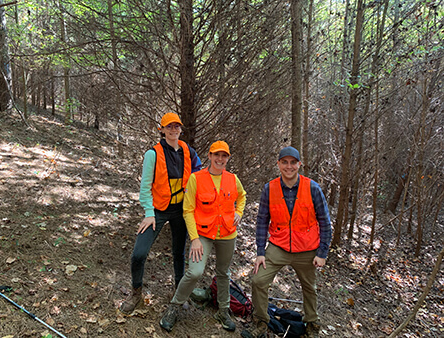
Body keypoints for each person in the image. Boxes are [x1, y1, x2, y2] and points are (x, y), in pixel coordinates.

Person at [241, 146, 332, 338]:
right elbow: (262, 221)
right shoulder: (270, 188)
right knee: (258, 280)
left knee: (310, 288)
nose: (289, 167)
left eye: (293, 162)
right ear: (278, 164)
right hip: (279, 245)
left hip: (307, 248)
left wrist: (322, 253)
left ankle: (312, 325)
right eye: (284, 162)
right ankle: (261, 321)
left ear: (299, 164)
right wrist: (260, 252)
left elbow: (325, 222)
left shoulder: (312, 188)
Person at [159, 141, 247, 332]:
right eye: (217, 155)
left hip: (227, 233)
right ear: (209, 156)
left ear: (228, 158)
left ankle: (223, 310)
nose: (220, 159)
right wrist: (195, 239)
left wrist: (239, 212)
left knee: (224, 272)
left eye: (224, 156)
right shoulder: (196, 178)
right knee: (195, 272)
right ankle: (174, 307)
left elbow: (242, 196)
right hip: (203, 234)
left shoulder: (233, 179)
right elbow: (188, 210)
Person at [120, 112, 202, 314]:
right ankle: (136, 292)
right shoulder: (153, 154)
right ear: (162, 130)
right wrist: (149, 213)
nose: (174, 130)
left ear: (181, 129)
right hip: (157, 210)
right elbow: (145, 187)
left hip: (181, 210)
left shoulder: (188, 151)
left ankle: (178, 292)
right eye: (169, 126)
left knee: (178, 252)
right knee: (139, 253)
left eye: (177, 126)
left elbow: (199, 173)